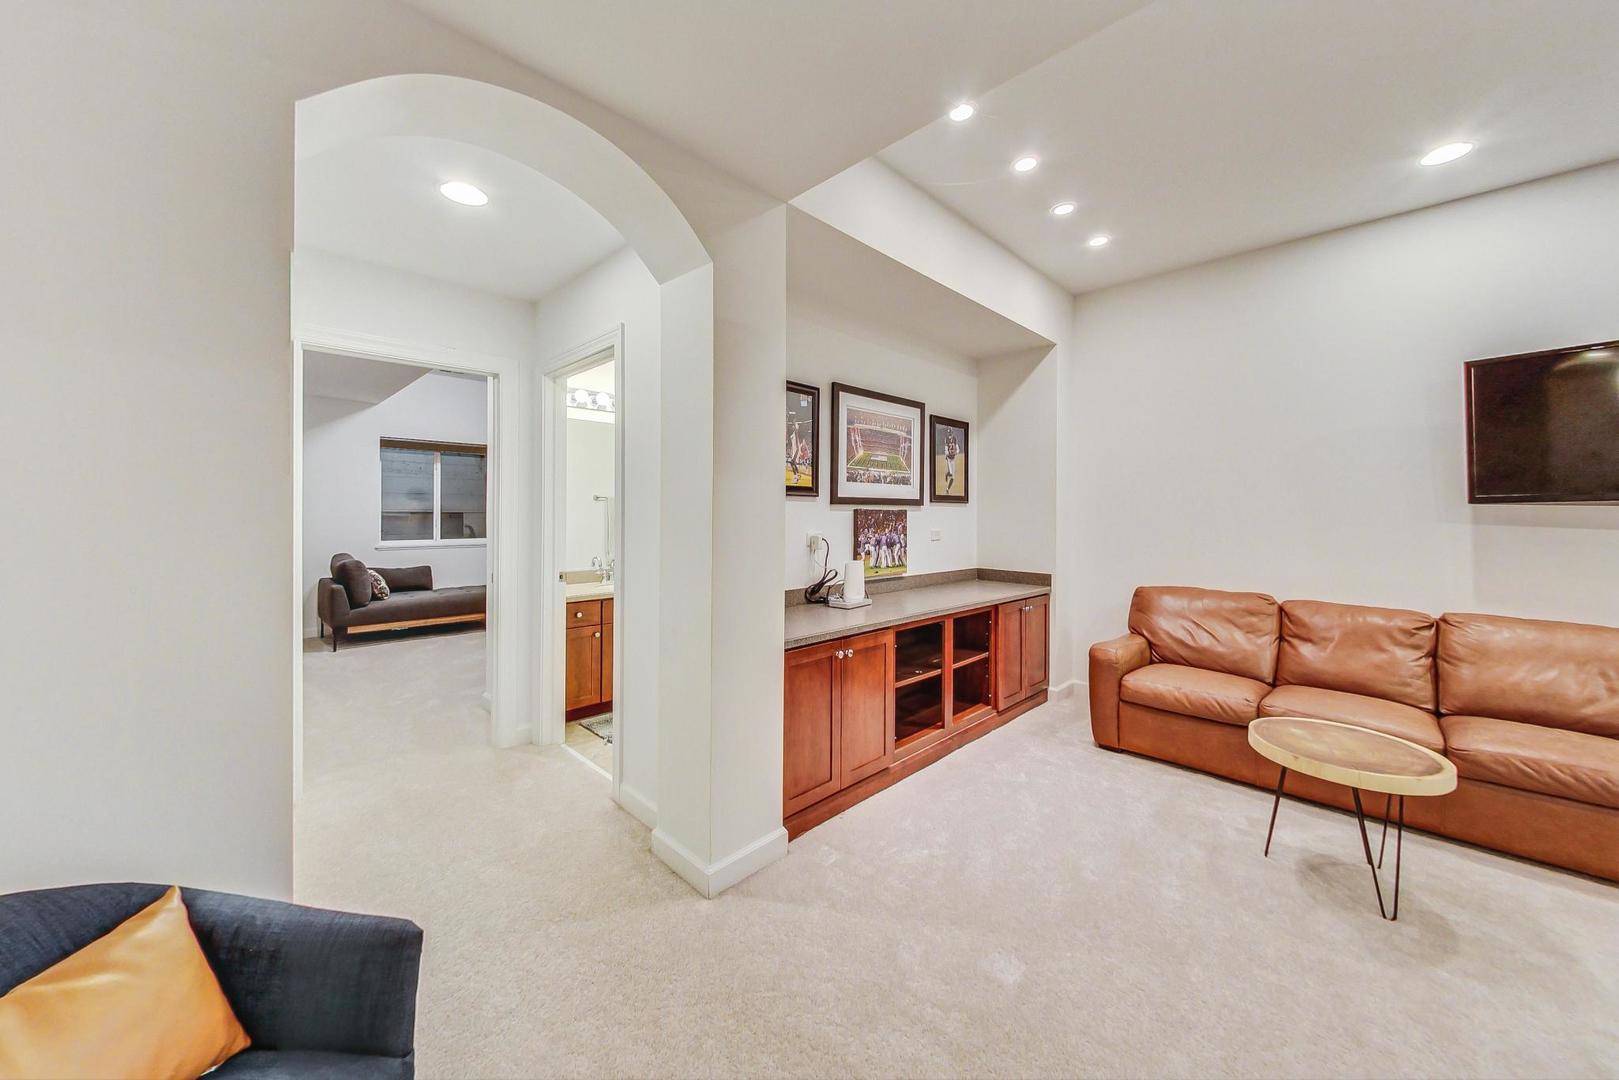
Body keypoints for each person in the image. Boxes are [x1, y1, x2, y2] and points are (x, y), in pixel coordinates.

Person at [943, 429, 959, 493]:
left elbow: (958, 448)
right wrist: (948, 453)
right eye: (949, 432)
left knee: (953, 478)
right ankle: (947, 474)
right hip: (949, 459)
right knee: (951, 473)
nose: (950, 434)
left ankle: (947, 489)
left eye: (951, 432)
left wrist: (956, 452)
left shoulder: (955, 438)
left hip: (953, 458)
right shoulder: (946, 439)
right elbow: (946, 449)